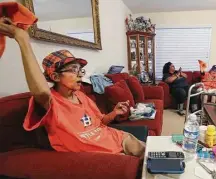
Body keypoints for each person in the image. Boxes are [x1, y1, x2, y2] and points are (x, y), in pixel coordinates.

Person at [0, 17, 145, 157]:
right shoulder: (51, 103)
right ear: (56, 77)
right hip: (107, 155)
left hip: (119, 139)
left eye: (80, 70)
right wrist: (23, 40)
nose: (80, 75)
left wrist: (114, 113)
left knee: (158, 155)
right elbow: (41, 92)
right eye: (74, 70)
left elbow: (100, 122)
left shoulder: (81, 95)